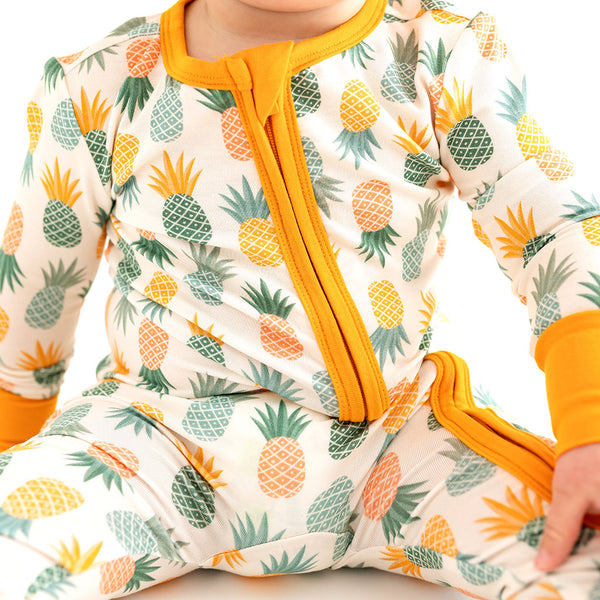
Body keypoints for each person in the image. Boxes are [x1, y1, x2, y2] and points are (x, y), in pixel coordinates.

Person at [0, 0, 599, 598]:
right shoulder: (98, 83)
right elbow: (35, 283)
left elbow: (554, 233)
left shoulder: (441, 52)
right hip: (152, 446)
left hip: (398, 447)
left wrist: (591, 424)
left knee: (580, 553)